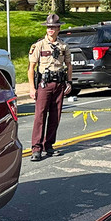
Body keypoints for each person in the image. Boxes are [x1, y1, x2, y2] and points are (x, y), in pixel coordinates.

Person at [27, 14, 72, 161]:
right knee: (40, 116)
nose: (50, 29)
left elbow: (69, 65)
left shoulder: (63, 46)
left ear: (58, 28)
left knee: (55, 116)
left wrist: (69, 82)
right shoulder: (39, 45)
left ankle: (49, 145)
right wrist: (32, 88)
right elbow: (31, 67)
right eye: (48, 27)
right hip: (44, 85)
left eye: (53, 27)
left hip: (59, 84)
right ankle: (36, 148)